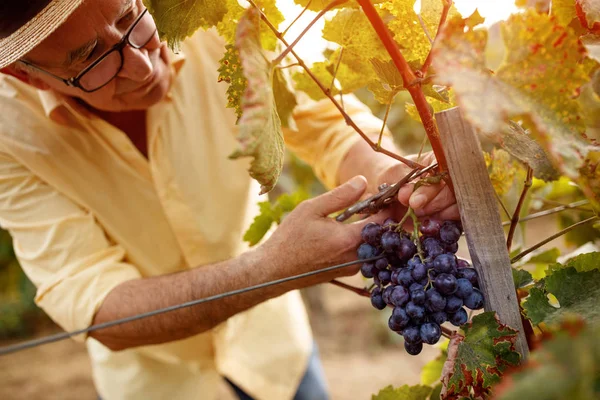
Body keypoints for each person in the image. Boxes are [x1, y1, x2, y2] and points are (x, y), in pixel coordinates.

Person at [0, 1, 457, 399]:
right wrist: (271, 269)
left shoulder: (215, 19)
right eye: (92, 60)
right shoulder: (8, 136)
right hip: (152, 375)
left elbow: (324, 125)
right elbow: (95, 303)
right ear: (28, 76)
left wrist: (384, 175)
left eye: (129, 18)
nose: (141, 65)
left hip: (270, 344)